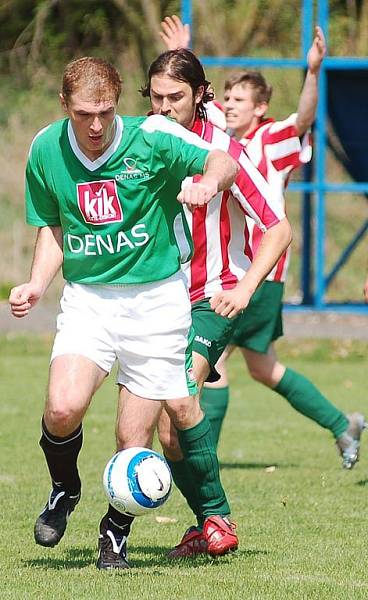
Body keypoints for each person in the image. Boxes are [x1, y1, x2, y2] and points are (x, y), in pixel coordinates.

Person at [8, 56, 240, 570]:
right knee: (62, 408)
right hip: (89, 299)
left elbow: (222, 160)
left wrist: (207, 184)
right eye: (85, 113)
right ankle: (64, 490)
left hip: (157, 302)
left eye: (106, 113)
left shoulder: (153, 136)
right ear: (64, 104)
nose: (95, 126)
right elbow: (52, 226)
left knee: (130, 438)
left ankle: (114, 532)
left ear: (117, 105)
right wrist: (37, 283)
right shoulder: (46, 148)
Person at [160, 16, 365, 470]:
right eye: (227, 99)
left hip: (254, 272)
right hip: (238, 270)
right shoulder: (218, 139)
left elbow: (305, 118)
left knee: (209, 363)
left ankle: (198, 458)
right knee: (261, 367)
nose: (230, 106)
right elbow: (192, 100)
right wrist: (184, 55)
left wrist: (312, 73)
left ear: (261, 106)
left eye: (240, 100)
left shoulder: (270, 139)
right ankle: (340, 423)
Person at [141, 47, 292, 558]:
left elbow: (278, 227)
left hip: (211, 297)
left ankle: (218, 519)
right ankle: (203, 523)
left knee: (180, 400)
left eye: (176, 97)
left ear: (201, 94)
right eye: (156, 97)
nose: (164, 107)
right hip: (156, 301)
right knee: (166, 429)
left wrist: (246, 288)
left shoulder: (226, 151)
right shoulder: (141, 141)